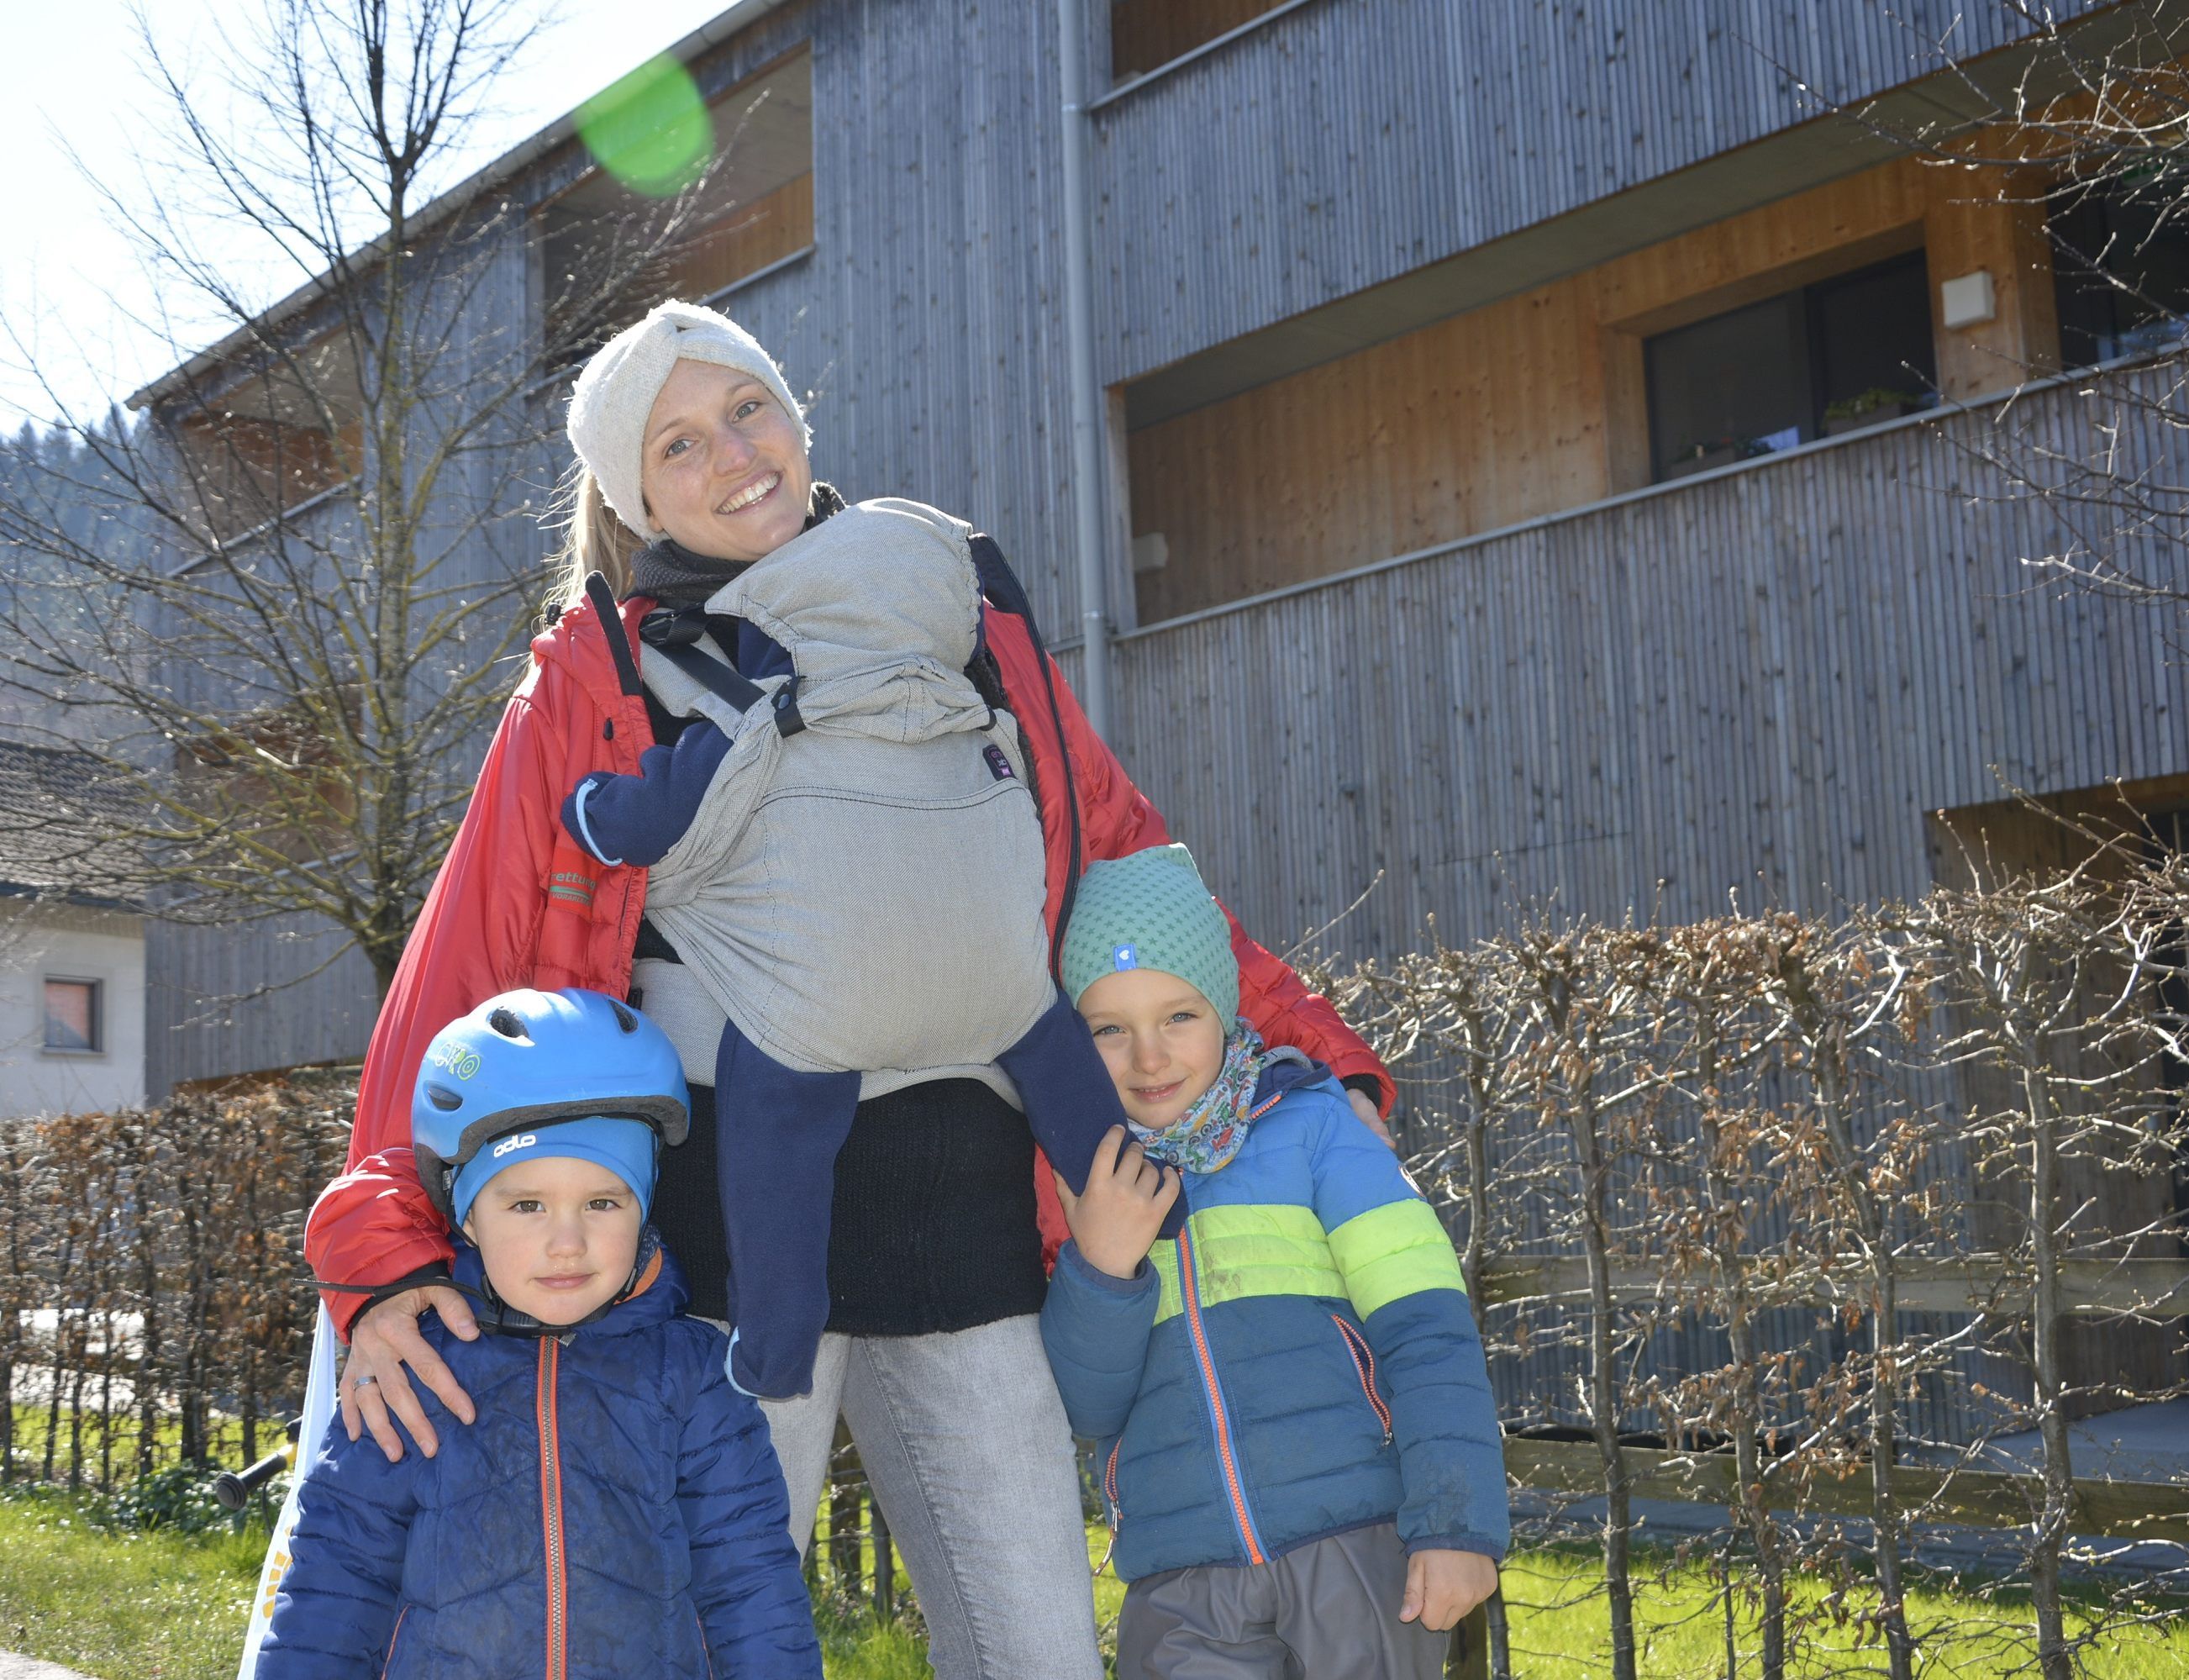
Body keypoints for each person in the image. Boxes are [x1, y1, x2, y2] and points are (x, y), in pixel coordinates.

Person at [303, 298, 1395, 1680]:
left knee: (1039, 1645)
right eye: (681, 443)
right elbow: (464, 973)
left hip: (972, 1233)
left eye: (746, 408)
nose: (732, 454)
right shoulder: (599, 682)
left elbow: (1125, 866)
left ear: (795, 410)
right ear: (640, 494)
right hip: (726, 1256)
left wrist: (1316, 1058)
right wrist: (385, 1246)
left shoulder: (954, 617)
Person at [557, 469, 1137, 1401]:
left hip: (821, 1022)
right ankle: (1157, 1196)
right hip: (1004, 1007)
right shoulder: (984, 706)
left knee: (776, 1144)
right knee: (1060, 1065)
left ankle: (776, 1341)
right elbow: (1104, 841)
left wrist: (593, 804)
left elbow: (649, 816)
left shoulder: (757, 698)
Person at [1039, 845, 1508, 1680]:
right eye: (1109, 1029)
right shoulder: (1085, 1182)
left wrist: (1453, 1525)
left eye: (1177, 1016)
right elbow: (1086, 1406)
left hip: (1358, 1555)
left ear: (1224, 1008)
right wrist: (1102, 1269)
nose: (1148, 1057)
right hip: (1180, 1584)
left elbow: (1428, 1333)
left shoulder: (1318, 1131)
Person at [263, 987, 819, 1679]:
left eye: (602, 1201)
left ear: (643, 1207)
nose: (567, 1242)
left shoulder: (694, 1376)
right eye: (526, 1203)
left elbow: (750, 1584)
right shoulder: (412, 1372)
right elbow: (334, 1586)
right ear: (467, 1218)